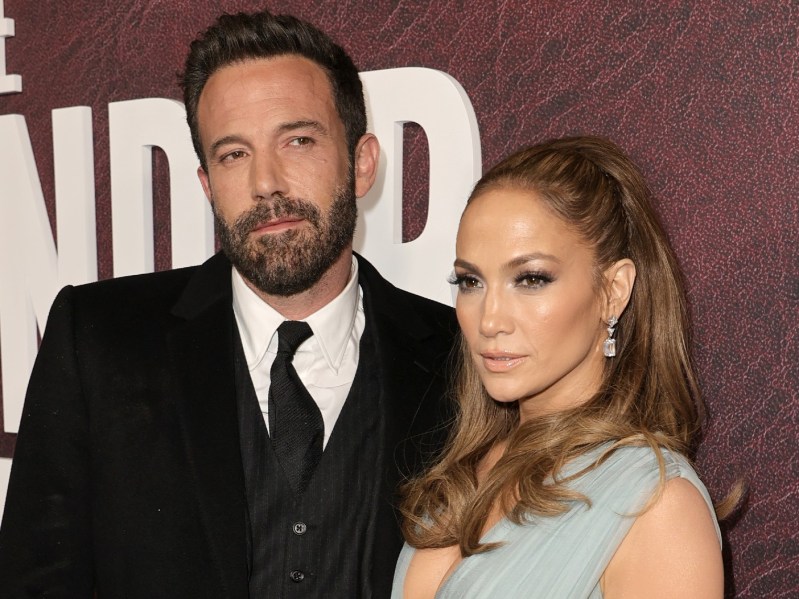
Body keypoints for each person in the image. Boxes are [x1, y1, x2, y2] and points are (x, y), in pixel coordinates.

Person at [0, 10, 456, 598]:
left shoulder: (455, 354)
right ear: (207, 183)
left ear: (362, 163)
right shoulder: (98, 340)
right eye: (234, 154)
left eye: (298, 140)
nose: (266, 183)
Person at [392, 136, 729, 598]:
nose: (488, 319)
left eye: (530, 279)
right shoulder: (467, 470)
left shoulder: (657, 506)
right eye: (470, 281)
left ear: (614, 290)